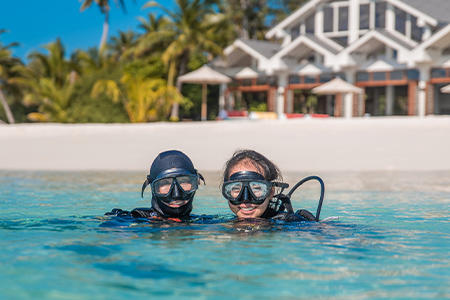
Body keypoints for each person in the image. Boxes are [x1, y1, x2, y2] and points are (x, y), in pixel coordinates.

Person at [106, 150, 204, 221]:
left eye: (184, 182)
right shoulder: (131, 219)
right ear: (152, 188)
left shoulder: (204, 222)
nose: (176, 194)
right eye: (165, 183)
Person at [221, 149, 316, 222]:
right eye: (236, 189)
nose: (246, 199)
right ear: (227, 193)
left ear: (270, 192)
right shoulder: (218, 223)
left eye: (256, 189)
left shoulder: (288, 224)